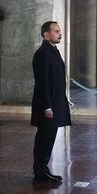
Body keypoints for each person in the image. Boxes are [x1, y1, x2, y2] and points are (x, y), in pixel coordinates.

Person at [31, 21, 71, 182]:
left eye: (59, 31)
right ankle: (39, 171)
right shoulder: (42, 53)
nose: (59, 34)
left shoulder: (53, 51)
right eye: (56, 31)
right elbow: (42, 83)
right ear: (46, 34)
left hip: (55, 103)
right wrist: (47, 106)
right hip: (47, 105)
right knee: (44, 139)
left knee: (49, 139)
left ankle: (42, 170)